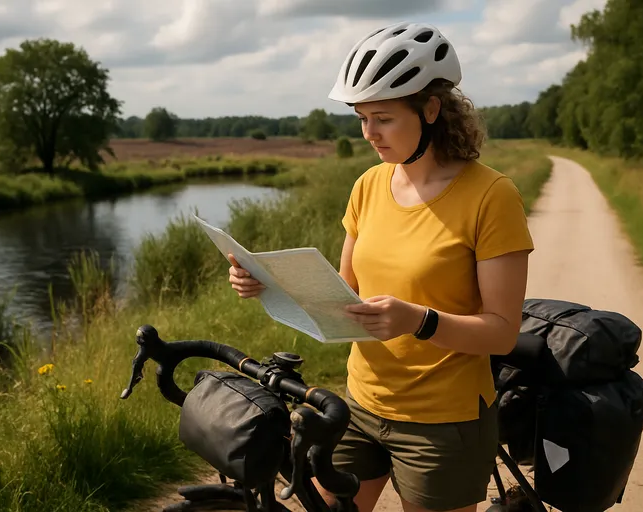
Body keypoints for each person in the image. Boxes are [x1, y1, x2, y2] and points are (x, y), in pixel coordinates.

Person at [228, 21, 534, 512]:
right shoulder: (368, 185)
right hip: (359, 404)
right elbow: (341, 297)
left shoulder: (491, 196)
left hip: (443, 422)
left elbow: (501, 332)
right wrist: (265, 284)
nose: (369, 134)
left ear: (430, 110)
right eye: (362, 118)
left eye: (384, 118)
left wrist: (417, 320)